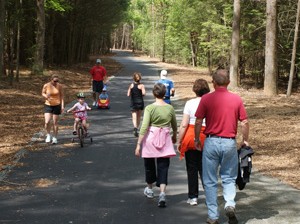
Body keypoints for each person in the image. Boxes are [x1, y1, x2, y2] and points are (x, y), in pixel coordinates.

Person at [194, 69, 250, 224]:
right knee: (229, 177)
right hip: (229, 142)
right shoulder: (236, 99)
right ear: (228, 82)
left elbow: (198, 121)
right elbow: (244, 122)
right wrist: (245, 140)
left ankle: (213, 216)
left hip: (211, 142)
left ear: (213, 82)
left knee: (210, 180)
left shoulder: (206, 99)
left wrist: (196, 139)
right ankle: (230, 204)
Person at [135, 83, 177, 208]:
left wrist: (138, 144)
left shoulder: (149, 108)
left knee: (149, 165)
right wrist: (174, 135)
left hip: (150, 139)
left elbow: (144, 126)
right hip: (164, 137)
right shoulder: (169, 108)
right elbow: (174, 125)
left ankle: (149, 189)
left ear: (154, 93)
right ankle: (162, 193)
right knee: (163, 166)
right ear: (165, 94)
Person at [177, 79, 210, 206]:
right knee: (205, 168)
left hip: (191, 136)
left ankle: (193, 196)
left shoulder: (190, 103)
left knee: (192, 168)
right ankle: (209, 195)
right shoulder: (211, 103)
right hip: (207, 136)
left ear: (195, 90)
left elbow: (184, 124)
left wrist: (179, 140)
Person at [42, 74, 64, 144]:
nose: (55, 82)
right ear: (51, 80)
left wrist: (62, 106)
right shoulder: (46, 85)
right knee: (47, 121)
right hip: (48, 105)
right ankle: (48, 135)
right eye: (54, 81)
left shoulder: (59, 86)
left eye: (57, 81)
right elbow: (42, 93)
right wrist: (46, 96)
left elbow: (62, 96)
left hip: (57, 105)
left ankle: (55, 137)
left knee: (55, 122)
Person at [127, 72, 146, 137]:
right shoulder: (142, 85)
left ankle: (135, 127)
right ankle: (137, 128)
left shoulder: (131, 85)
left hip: (133, 102)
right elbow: (144, 93)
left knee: (134, 116)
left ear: (133, 78)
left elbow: (128, 94)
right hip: (140, 102)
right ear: (140, 78)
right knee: (139, 117)